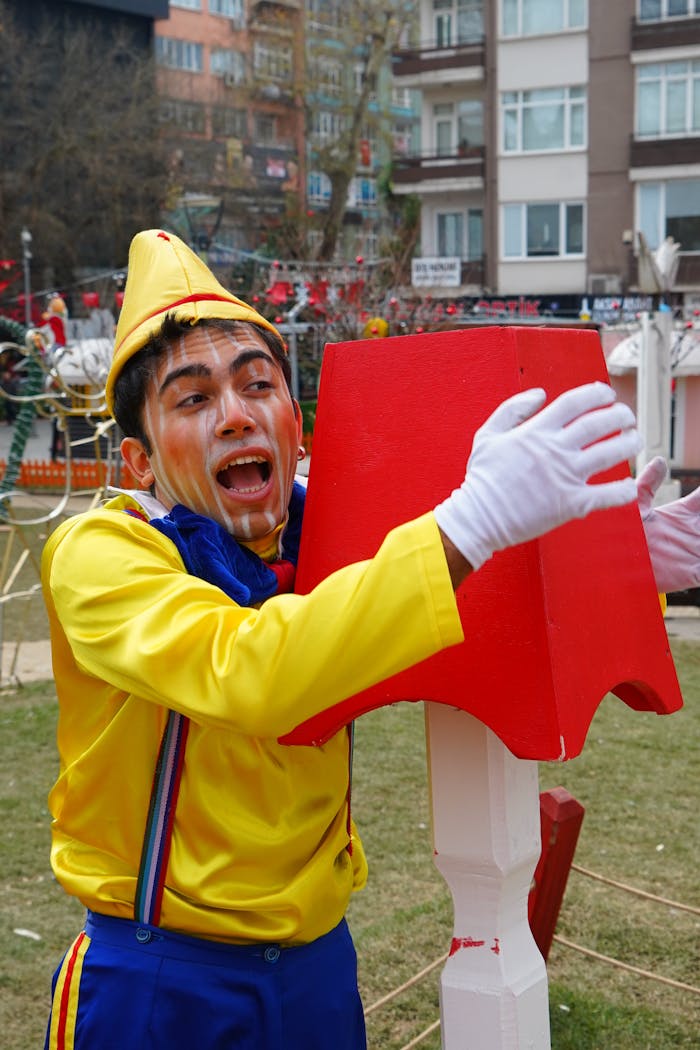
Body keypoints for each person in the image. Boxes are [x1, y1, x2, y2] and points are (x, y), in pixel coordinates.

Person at [39, 229, 668, 1050]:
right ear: (141, 459)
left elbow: (457, 570)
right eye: (192, 400)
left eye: (257, 385)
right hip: (162, 980)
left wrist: (612, 548)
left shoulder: (325, 526)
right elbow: (255, 670)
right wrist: (475, 520)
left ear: (295, 424)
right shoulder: (100, 556)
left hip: (316, 971)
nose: (235, 416)